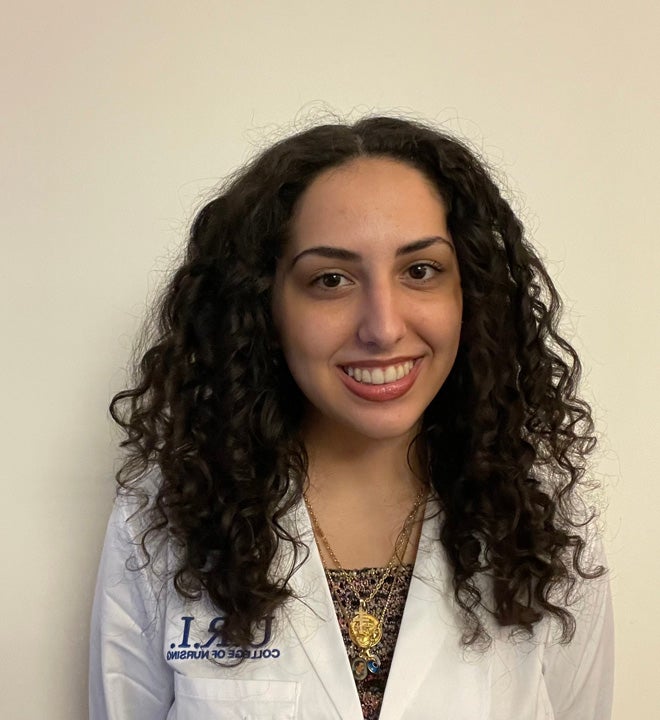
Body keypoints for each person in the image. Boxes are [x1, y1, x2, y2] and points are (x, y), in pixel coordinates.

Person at [89, 116, 613, 719]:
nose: (383, 327)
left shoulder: (544, 523)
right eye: (331, 280)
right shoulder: (163, 523)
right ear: (264, 307)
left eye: (420, 271)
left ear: (470, 295)